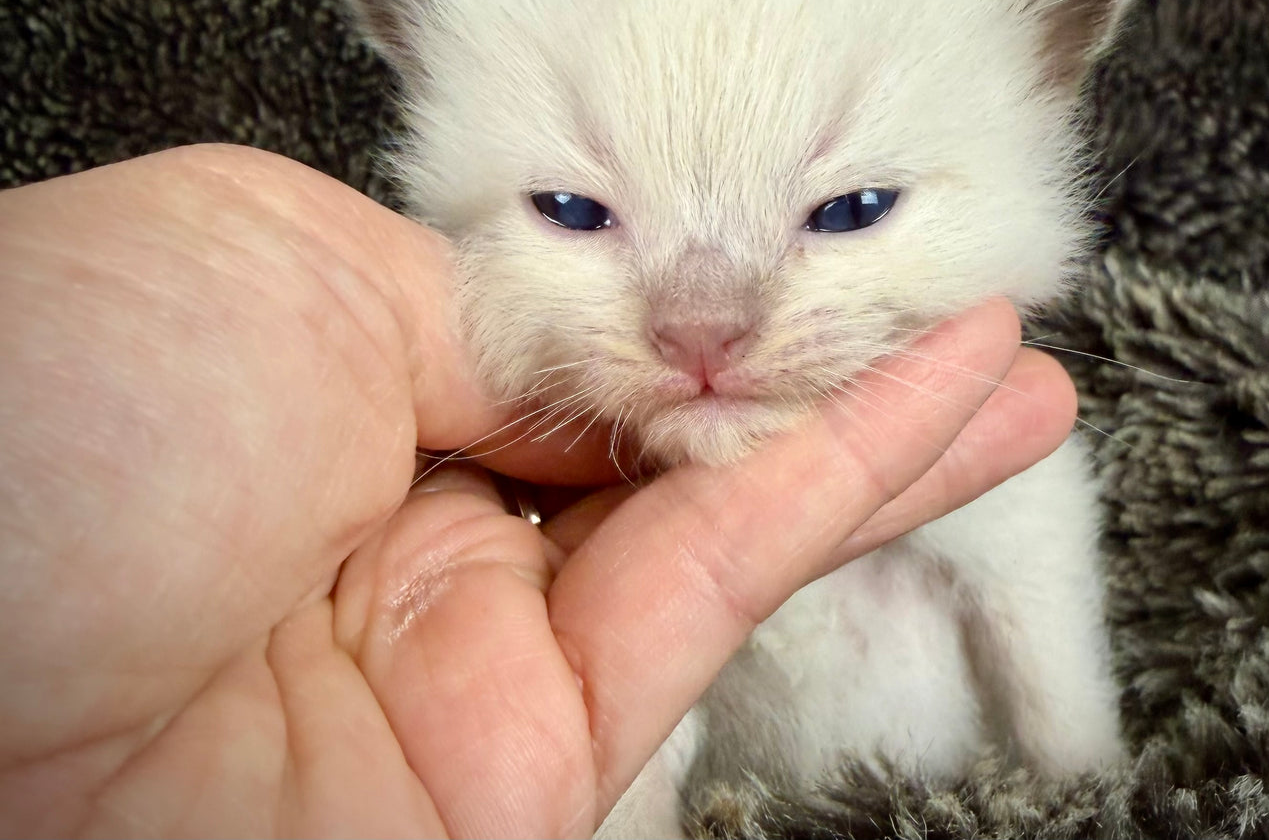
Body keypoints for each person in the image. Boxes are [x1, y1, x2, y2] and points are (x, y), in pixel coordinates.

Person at [0, 144, 1077, 838]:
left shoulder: (950, 411)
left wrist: (1090, 788)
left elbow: (1032, 602)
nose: (703, 322)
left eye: (847, 209)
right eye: (576, 207)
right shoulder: (484, 514)